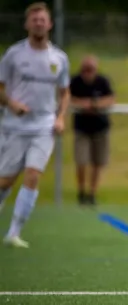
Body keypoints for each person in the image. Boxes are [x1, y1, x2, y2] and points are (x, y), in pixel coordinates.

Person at [0, 2, 70, 248]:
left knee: (33, 175)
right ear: (27, 24)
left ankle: (14, 233)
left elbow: (64, 92)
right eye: (34, 19)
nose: (39, 23)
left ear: (50, 24)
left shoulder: (58, 58)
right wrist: (11, 103)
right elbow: (1, 88)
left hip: (43, 127)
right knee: (5, 181)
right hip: (14, 127)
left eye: (43, 19)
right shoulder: (14, 55)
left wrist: (60, 117)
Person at [69, 55, 115, 206]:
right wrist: (82, 104)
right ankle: (81, 192)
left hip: (100, 128)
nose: (88, 73)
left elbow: (110, 99)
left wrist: (95, 104)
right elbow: (67, 97)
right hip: (81, 128)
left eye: (91, 69)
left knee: (98, 162)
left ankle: (92, 194)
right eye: (85, 69)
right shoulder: (75, 81)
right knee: (81, 161)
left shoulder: (103, 82)